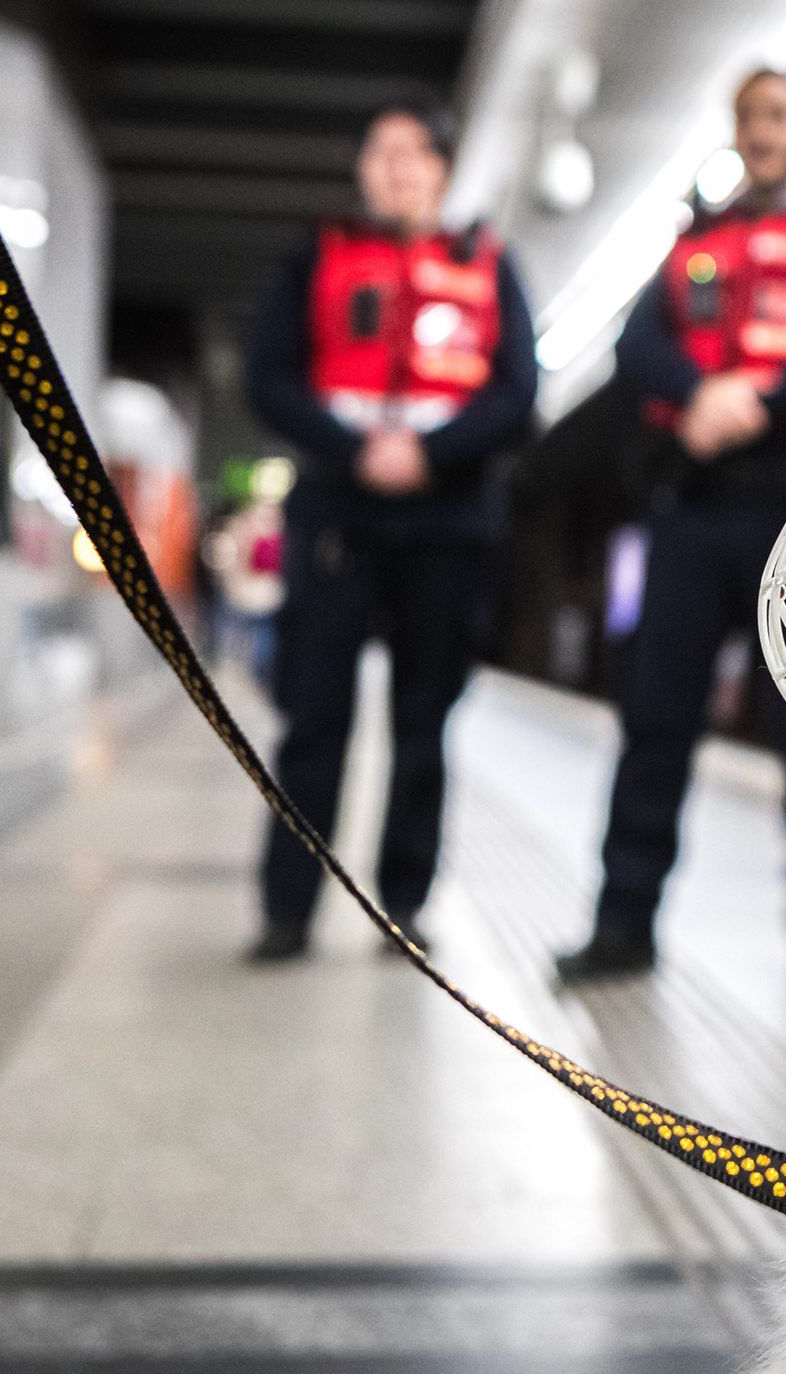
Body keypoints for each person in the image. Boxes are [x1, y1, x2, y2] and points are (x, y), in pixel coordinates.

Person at [555, 68, 786, 984]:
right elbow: (639, 348)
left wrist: (761, 396)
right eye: (750, 118)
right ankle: (622, 925)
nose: (763, 132)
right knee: (655, 719)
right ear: (734, 131)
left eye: (778, 117)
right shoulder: (695, 244)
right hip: (696, 503)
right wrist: (701, 394)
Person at [244, 98, 538, 961]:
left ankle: (403, 908)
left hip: (449, 520)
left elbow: (519, 394)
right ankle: (286, 910)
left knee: (424, 724)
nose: (397, 168)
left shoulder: (490, 268)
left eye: (415, 153)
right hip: (339, 512)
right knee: (312, 718)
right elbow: (269, 378)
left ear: (444, 170)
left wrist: (432, 453)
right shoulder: (319, 261)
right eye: (381, 153)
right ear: (362, 169)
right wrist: (354, 447)